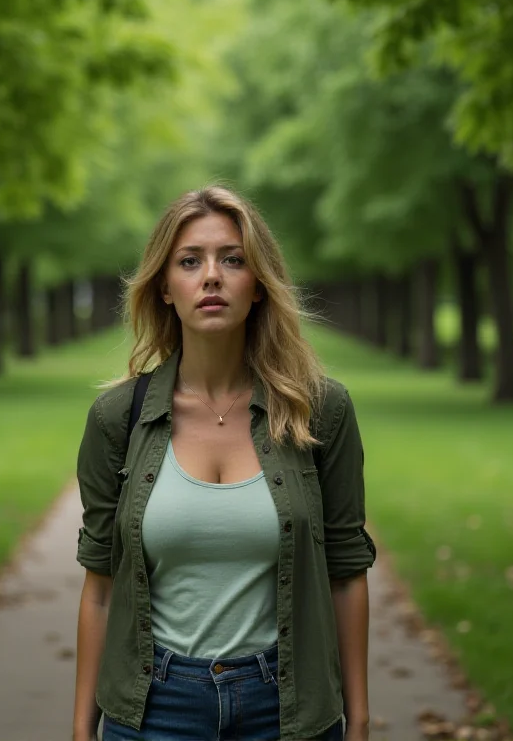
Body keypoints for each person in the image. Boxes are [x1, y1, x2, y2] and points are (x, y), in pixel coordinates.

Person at [72, 186, 376, 741]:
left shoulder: (318, 410)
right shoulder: (118, 417)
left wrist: (357, 722)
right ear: (165, 286)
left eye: (232, 259)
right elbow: (99, 587)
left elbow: (346, 573)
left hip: (286, 712)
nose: (211, 276)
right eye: (190, 261)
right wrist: (79, 730)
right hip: (152, 710)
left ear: (258, 284)